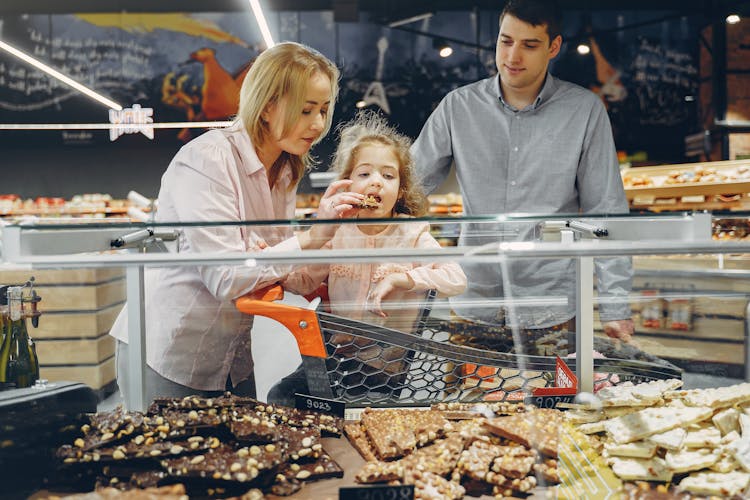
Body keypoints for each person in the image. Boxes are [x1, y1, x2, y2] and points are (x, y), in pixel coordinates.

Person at [110, 42, 366, 406]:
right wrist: (310, 238)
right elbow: (226, 277)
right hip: (171, 353)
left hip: (231, 356)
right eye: (306, 110)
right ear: (266, 106)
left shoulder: (285, 168)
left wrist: (335, 241)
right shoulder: (207, 161)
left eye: (324, 110)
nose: (319, 124)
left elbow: (278, 269)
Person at [411, 0, 634, 355]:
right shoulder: (458, 106)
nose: (513, 55)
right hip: (473, 302)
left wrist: (615, 305)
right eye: (506, 41)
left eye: (529, 45)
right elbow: (408, 186)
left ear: (554, 47)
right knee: (466, 409)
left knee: (557, 410)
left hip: (552, 308)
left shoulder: (584, 111)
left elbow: (604, 212)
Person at [267, 111, 468, 405]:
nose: (376, 183)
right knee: (281, 397)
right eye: (364, 174)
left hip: (381, 370)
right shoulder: (337, 232)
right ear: (347, 183)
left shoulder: (411, 233)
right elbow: (303, 282)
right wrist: (272, 257)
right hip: (333, 360)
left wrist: (403, 278)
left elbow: (456, 278)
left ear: (400, 190)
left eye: (388, 175)